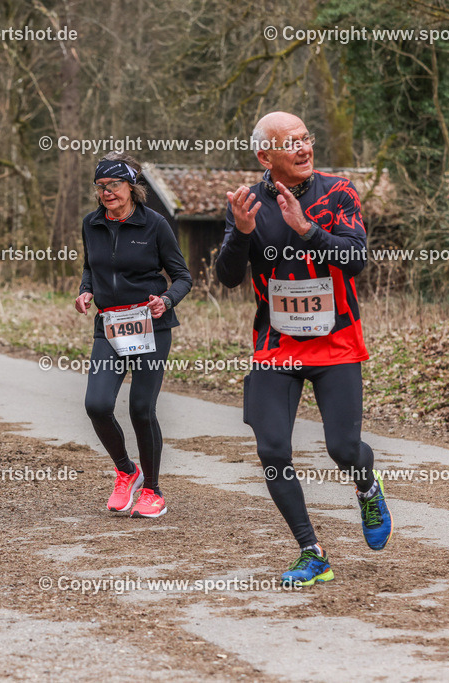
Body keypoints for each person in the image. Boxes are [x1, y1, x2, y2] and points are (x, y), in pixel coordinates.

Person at [214, 111, 391, 586]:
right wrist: (242, 233)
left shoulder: (338, 192)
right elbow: (227, 277)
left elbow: (355, 258)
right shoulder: (247, 204)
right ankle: (312, 552)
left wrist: (308, 229)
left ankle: (366, 486)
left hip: (336, 342)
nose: (303, 148)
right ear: (264, 156)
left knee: (343, 448)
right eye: (290, 142)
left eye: (305, 138)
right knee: (272, 450)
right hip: (278, 346)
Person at [75, 152, 192, 518]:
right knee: (97, 405)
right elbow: (90, 267)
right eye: (100, 186)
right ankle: (127, 471)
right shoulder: (91, 224)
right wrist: (85, 290)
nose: (107, 192)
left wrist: (166, 300)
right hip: (109, 326)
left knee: (141, 408)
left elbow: (183, 277)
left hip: (150, 326)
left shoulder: (154, 224)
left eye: (114, 184)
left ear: (130, 186)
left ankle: (153, 490)